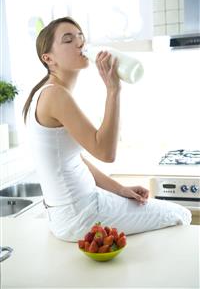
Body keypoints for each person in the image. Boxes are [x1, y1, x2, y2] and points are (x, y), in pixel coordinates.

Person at [23, 17, 191, 242]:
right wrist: (113, 90)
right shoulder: (56, 95)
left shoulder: (46, 93)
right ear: (49, 58)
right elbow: (106, 153)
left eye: (81, 36)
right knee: (181, 214)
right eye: (68, 39)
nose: (80, 43)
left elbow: (74, 160)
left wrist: (119, 189)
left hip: (73, 212)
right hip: (81, 215)